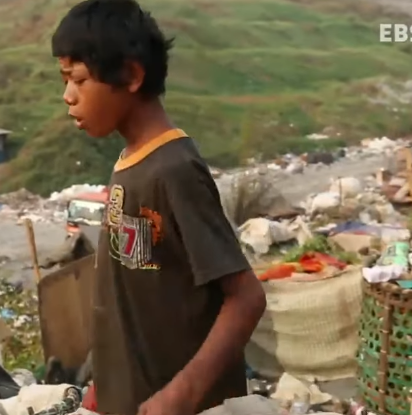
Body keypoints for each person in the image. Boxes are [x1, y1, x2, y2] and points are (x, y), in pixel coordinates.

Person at [51, 2, 268, 415]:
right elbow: (123, 298)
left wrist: (181, 394)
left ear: (132, 75)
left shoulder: (174, 170)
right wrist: (104, 382)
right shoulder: (130, 162)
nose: (68, 96)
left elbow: (246, 297)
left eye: (78, 79)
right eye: (65, 80)